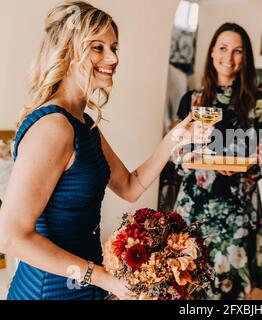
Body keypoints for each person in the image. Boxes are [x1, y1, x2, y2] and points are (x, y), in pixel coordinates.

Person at [0, 1, 202, 300]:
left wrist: (174, 139)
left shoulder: (83, 123)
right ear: (69, 51)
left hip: (83, 286)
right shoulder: (54, 127)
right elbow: (10, 238)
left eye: (114, 47)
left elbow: (130, 186)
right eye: (98, 47)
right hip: (49, 291)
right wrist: (105, 279)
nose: (112, 57)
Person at [174, 23, 262, 300]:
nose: (228, 57)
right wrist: (194, 158)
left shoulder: (260, 102)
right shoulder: (192, 100)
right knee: (188, 284)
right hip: (194, 207)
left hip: (237, 211)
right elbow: (175, 155)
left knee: (229, 290)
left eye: (237, 50)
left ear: (246, 57)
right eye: (222, 48)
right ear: (211, 53)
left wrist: (245, 165)